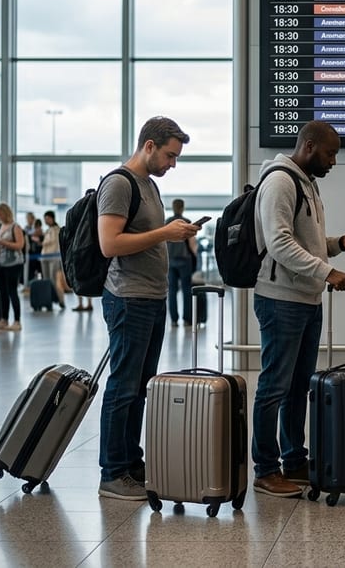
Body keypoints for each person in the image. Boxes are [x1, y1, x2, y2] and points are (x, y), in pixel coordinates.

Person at [251, 120, 345, 497]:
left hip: (305, 298)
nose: (334, 161)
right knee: (274, 386)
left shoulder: (307, 184)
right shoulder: (280, 182)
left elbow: (307, 244)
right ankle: (266, 469)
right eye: (330, 153)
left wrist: (338, 245)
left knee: (297, 386)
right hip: (280, 300)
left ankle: (293, 460)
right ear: (309, 145)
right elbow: (279, 243)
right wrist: (328, 270)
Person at [96, 116, 200, 501]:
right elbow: (110, 243)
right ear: (149, 146)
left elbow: (143, 237)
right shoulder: (119, 184)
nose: (173, 164)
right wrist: (165, 233)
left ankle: (130, 462)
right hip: (128, 298)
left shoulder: (150, 187)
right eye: (170, 156)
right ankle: (112, 472)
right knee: (123, 387)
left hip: (152, 298)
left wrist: (176, 231)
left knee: (140, 387)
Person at [0, 203, 25, 332]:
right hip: (0, 263)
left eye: (0, 214)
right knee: (2, 292)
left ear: (5, 213)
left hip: (13, 263)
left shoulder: (15, 227)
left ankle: (17, 321)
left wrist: (2, 242)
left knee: (12, 291)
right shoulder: (0, 227)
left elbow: (20, 245)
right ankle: (4, 319)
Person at [165, 198, 196, 327]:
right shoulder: (186, 222)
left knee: (172, 290)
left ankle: (174, 319)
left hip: (170, 260)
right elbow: (192, 244)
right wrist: (195, 258)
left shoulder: (167, 223)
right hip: (184, 260)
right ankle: (187, 319)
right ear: (182, 208)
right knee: (186, 290)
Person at [40, 211, 64, 310]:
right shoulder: (47, 230)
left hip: (53, 257)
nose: (45, 221)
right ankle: (48, 300)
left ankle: (60, 300)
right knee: (46, 279)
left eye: (47, 218)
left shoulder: (57, 229)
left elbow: (53, 243)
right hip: (45, 257)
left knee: (54, 280)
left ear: (52, 218)